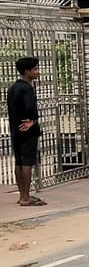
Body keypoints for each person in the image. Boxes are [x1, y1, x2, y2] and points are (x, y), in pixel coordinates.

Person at [8, 57, 44, 205]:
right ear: (27, 72)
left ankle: (22, 194)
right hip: (28, 131)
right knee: (28, 162)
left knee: (19, 162)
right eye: (35, 69)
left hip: (16, 129)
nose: (38, 72)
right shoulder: (27, 88)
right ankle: (25, 198)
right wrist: (33, 121)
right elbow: (31, 108)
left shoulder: (13, 88)